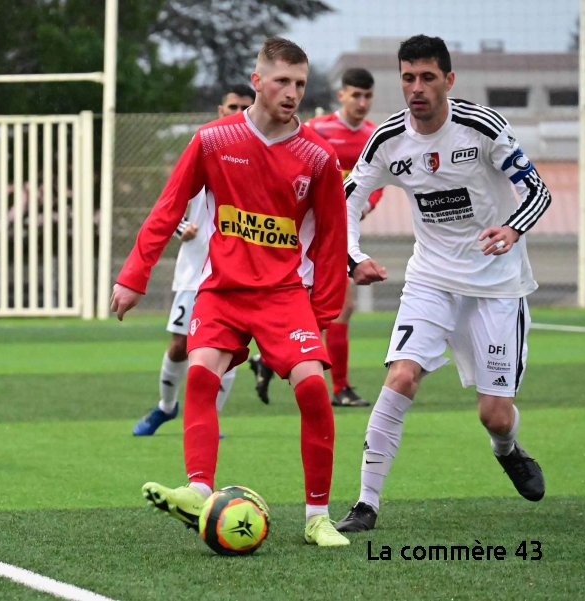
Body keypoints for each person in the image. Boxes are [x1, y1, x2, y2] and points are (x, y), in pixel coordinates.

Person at [112, 37, 351, 547]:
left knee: (312, 388)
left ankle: (317, 518)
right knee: (200, 376)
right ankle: (199, 490)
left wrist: (323, 315)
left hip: (284, 293)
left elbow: (332, 241)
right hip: (221, 290)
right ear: (256, 80)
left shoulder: (318, 157)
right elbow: (167, 207)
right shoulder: (213, 141)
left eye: (301, 84)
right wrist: (134, 277)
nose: (293, 93)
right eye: (283, 81)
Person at [334, 35, 550, 533]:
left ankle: (509, 450)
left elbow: (535, 190)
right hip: (430, 280)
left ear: (448, 81)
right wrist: (353, 257)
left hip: (497, 285)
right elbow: (346, 199)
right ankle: (366, 504)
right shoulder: (388, 140)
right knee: (401, 377)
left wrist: (512, 227)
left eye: (428, 77)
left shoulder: (483, 127)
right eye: (408, 77)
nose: (417, 88)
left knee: (495, 415)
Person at [249, 67, 384, 407]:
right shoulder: (318, 130)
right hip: (310, 231)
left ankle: (270, 359)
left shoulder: (374, 136)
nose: (362, 102)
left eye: (368, 96)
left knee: (326, 306)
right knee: (339, 305)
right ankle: (337, 388)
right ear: (342, 96)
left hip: (341, 230)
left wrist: (366, 203)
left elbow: (377, 182)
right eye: (356, 95)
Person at [133, 84, 255, 437]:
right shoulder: (204, 146)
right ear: (220, 110)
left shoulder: (263, 155)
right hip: (195, 269)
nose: (238, 113)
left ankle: (208, 421)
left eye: (245, 107)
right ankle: (166, 407)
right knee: (179, 345)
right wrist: (182, 229)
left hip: (239, 273)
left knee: (229, 349)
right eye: (232, 106)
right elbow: (172, 204)